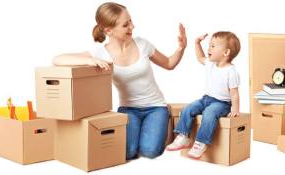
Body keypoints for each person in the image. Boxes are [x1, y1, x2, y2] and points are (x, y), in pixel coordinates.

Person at [52, 2, 187, 160]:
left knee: (150, 151)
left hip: (155, 107)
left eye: (131, 21)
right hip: (128, 110)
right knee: (128, 152)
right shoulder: (101, 53)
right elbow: (57, 59)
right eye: (126, 24)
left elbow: (169, 64)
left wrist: (181, 48)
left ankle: (163, 124)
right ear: (109, 30)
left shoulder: (143, 44)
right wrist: (89, 61)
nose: (132, 26)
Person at [166, 31, 240, 159]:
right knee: (188, 108)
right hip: (205, 99)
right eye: (209, 45)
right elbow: (200, 57)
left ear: (226, 53)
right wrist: (196, 43)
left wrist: (235, 109)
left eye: (213, 46)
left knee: (209, 114)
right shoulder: (211, 64)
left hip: (222, 103)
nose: (208, 48)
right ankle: (184, 136)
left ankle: (201, 142)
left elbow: (234, 94)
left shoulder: (231, 71)